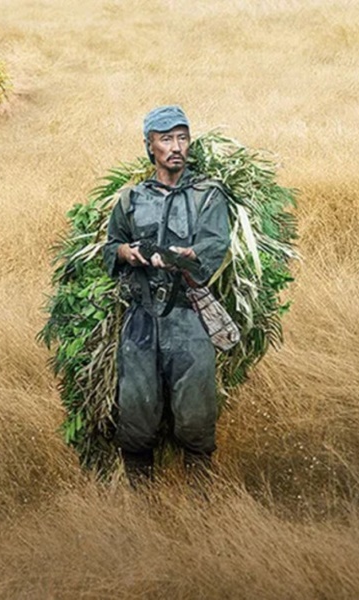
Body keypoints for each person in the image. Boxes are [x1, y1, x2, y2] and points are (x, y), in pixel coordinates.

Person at [102, 105, 231, 484]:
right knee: (137, 415)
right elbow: (111, 247)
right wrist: (127, 253)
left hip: (189, 317)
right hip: (141, 321)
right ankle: (140, 502)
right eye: (166, 139)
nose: (176, 147)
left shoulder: (208, 196)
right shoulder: (131, 198)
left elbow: (215, 246)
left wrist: (189, 257)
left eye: (182, 138)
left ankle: (200, 502)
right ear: (150, 146)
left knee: (195, 417)